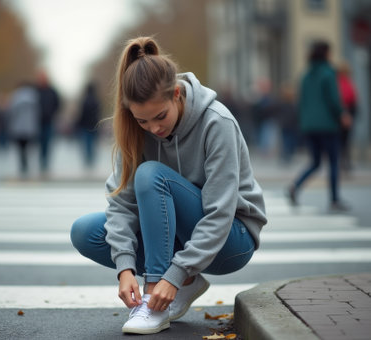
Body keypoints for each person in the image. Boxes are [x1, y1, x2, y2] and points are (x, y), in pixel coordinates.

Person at [70, 37, 267, 335]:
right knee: (85, 232)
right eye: (142, 121)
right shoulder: (136, 130)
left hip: (231, 240)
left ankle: (154, 297)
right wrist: (124, 269)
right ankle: (185, 279)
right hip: (183, 237)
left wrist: (171, 275)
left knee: (150, 175)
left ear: (176, 94)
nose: (153, 129)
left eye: (160, 116)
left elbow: (219, 213)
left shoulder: (217, 122)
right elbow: (122, 205)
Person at [287, 41, 349, 211]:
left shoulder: (305, 75)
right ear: (326, 54)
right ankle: (335, 200)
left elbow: (300, 102)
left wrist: (304, 121)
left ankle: (295, 185)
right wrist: (342, 114)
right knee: (333, 162)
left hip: (309, 125)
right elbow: (334, 99)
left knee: (315, 162)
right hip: (328, 125)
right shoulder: (328, 74)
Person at [8, 81, 40, 177]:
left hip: (18, 127)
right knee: (29, 147)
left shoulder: (16, 97)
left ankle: (22, 164)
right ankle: (27, 163)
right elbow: (37, 113)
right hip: (30, 127)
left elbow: (12, 112)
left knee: (20, 148)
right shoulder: (34, 97)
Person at [36, 71, 61, 174]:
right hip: (37, 121)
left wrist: (53, 112)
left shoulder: (52, 91)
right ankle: (41, 159)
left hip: (49, 120)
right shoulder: (36, 90)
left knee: (47, 141)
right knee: (40, 142)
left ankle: (45, 161)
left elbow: (58, 103)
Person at [337, 61, 357, 172]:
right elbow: (353, 101)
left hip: (340, 116)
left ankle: (343, 162)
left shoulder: (338, 82)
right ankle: (345, 162)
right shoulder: (348, 83)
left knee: (341, 141)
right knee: (345, 141)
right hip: (345, 115)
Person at [75, 82, 100, 168]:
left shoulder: (84, 101)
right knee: (93, 143)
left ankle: (88, 159)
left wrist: (79, 124)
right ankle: (91, 159)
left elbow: (82, 114)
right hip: (94, 125)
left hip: (85, 125)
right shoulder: (97, 101)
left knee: (86, 143)